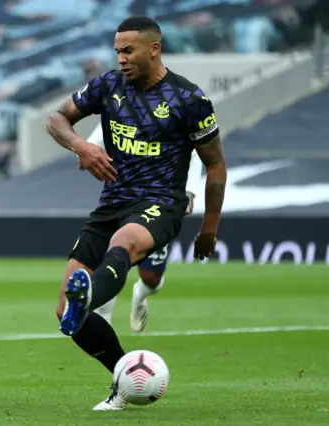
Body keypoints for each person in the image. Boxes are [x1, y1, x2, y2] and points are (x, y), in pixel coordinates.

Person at [46, 17, 226, 411]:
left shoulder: (188, 99)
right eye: (117, 51)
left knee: (123, 243)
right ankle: (122, 381)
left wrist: (209, 228)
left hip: (160, 203)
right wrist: (81, 146)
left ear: (154, 49)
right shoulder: (108, 86)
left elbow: (215, 164)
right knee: (66, 315)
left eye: (128, 51)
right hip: (112, 202)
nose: (121, 58)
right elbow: (57, 119)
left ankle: (90, 291)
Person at [84, 123, 204, 332]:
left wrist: (189, 192)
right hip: (120, 201)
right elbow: (94, 140)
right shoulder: (119, 106)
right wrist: (87, 152)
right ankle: (104, 319)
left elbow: (192, 152)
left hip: (157, 206)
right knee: (115, 256)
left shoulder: (176, 110)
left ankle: (141, 293)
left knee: (152, 279)